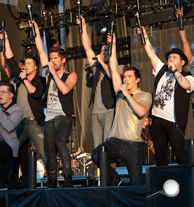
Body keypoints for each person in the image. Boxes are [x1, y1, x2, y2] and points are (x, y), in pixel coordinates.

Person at [92, 33, 152, 186]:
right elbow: (113, 67)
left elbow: (140, 112)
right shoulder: (120, 91)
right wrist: (113, 45)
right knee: (97, 154)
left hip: (132, 144)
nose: (125, 79)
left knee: (137, 184)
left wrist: (127, 94)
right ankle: (115, 179)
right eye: (124, 77)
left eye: (129, 77)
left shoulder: (145, 95)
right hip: (115, 141)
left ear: (137, 79)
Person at [138, 26, 194, 166]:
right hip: (157, 119)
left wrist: (175, 71)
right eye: (169, 58)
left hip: (174, 122)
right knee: (160, 153)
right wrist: (144, 35)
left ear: (182, 62)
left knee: (179, 150)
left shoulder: (188, 76)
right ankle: (163, 182)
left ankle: (187, 180)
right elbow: (151, 53)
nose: (170, 59)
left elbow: (186, 86)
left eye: (174, 58)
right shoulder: (162, 70)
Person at [31, 20, 77, 188]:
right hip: (49, 117)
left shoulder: (71, 74)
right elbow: (40, 50)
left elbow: (65, 90)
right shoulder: (49, 72)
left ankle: (68, 178)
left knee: (61, 143)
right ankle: (52, 181)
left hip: (64, 116)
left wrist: (53, 73)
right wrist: (35, 30)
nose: (52, 61)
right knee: (50, 150)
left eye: (55, 59)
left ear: (63, 60)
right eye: (51, 59)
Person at [3, 31, 47, 166]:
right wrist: (5, 39)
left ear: (35, 66)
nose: (25, 65)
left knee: (44, 152)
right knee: (11, 151)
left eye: (29, 63)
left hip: (34, 122)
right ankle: (9, 182)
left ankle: (55, 180)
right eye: (25, 63)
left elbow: (36, 93)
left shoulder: (41, 80)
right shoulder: (20, 78)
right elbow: (11, 59)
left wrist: (25, 80)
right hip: (20, 123)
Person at [77, 16, 118, 149]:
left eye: (106, 51)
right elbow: (87, 48)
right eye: (102, 52)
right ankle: (99, 170)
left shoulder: (116, 69)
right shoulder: (97, 68)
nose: (104, 54)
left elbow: (112, 76)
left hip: (109, 111)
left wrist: (101, 60)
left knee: (108, 145)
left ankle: (109, 170)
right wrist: (83, 26)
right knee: (97, 148)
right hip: (95, 113)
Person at [0, 54, 24, 190]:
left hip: (7, 146)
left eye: (3, 92)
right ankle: (1, 185)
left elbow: (9, 126)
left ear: (11, 95)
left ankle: (3, 182)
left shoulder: (17, 110)